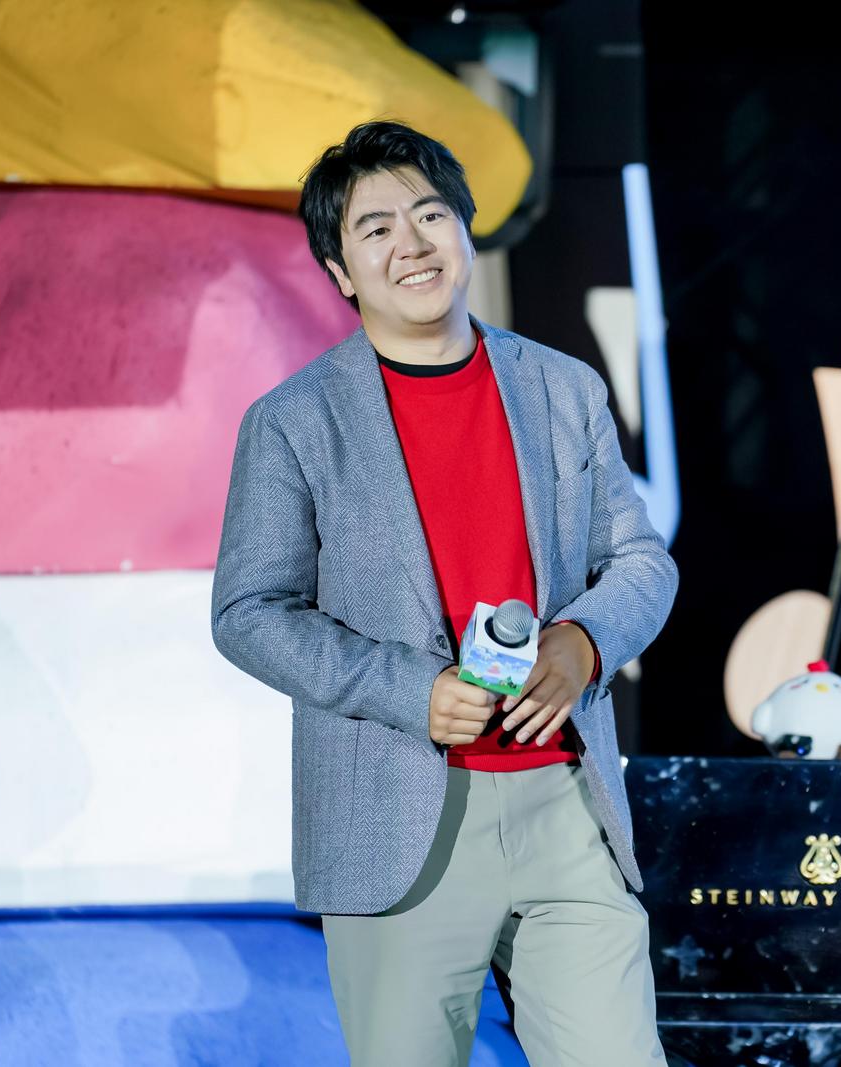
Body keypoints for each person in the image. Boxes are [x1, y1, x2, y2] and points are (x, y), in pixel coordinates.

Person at [210, 119, 677, 1066]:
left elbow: (642, 560)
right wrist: (409, 690)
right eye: (375, 229)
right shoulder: (293, 421)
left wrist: (584, 642)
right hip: (398, 819)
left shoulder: (563, 388)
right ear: (340, 271)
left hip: (566, 799)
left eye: (429, 215)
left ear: (465, 230)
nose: (411, 243)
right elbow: (248, 612)